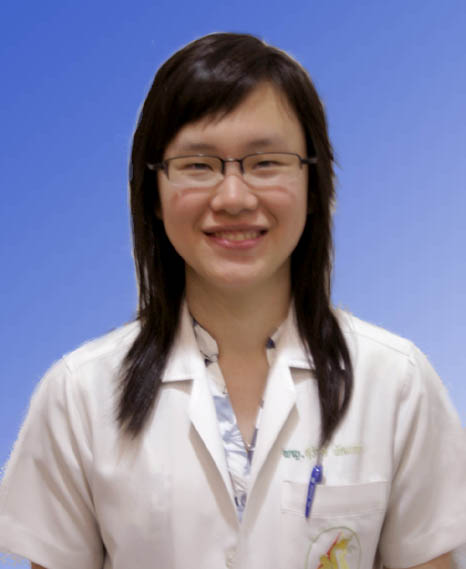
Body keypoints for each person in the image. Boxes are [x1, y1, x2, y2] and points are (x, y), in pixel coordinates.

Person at [0, 32, 465, 569]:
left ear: (315, 185)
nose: (234, 198)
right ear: (153, 192)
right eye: (198, 165)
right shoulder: (80, 395)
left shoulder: (395, 382)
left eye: (266, 162)